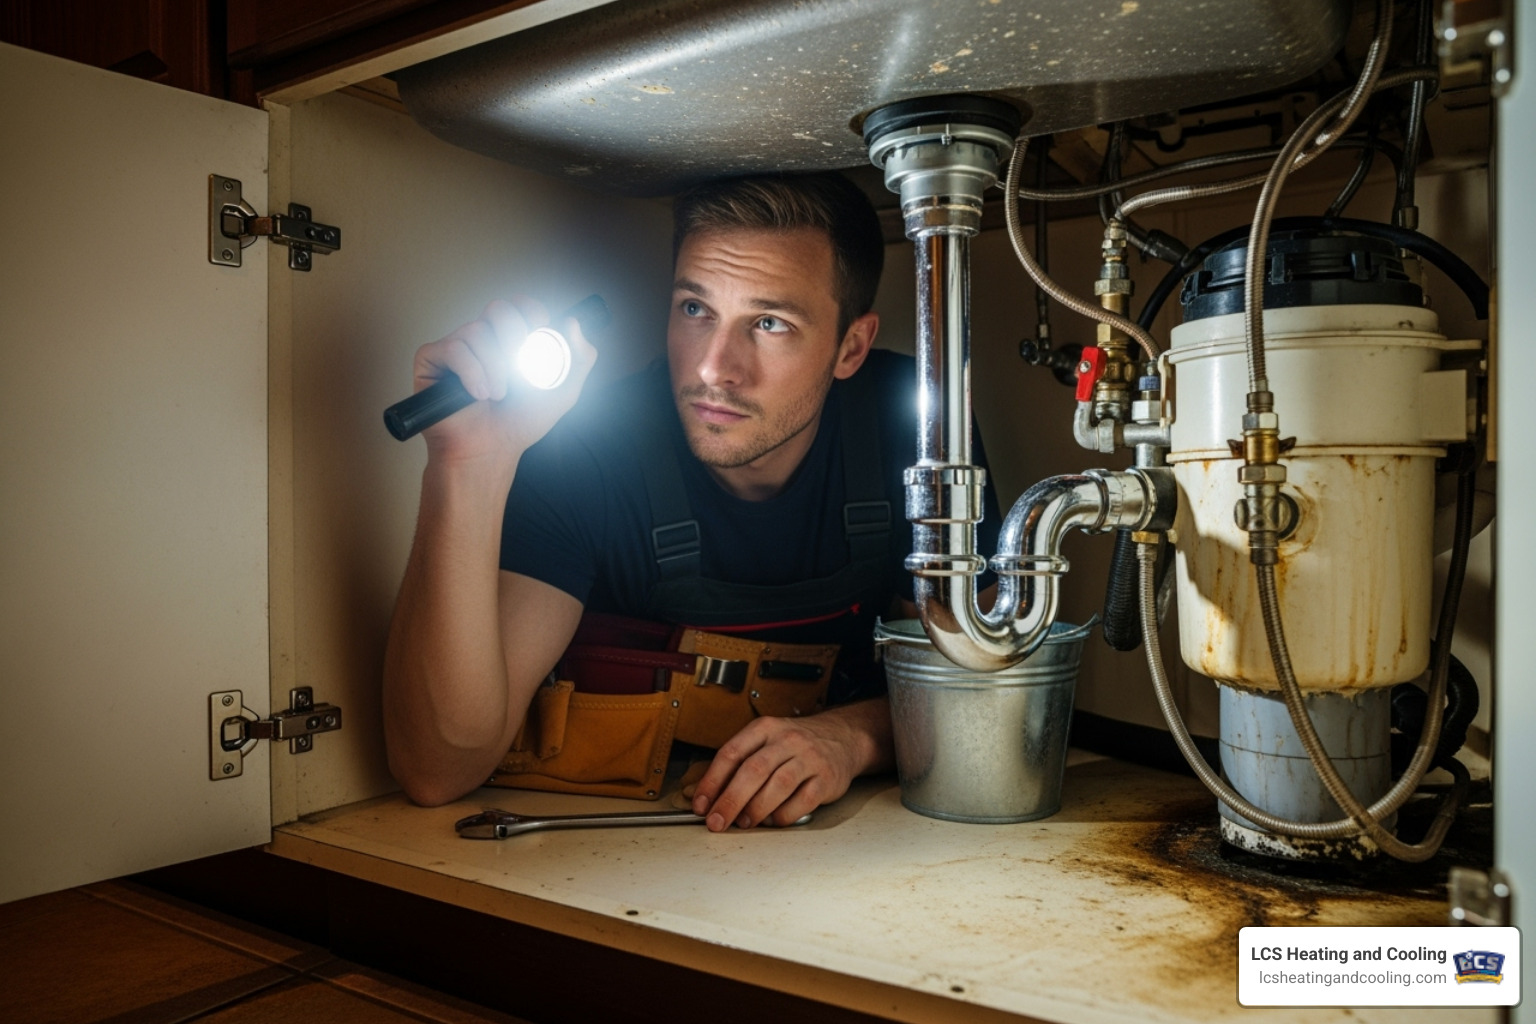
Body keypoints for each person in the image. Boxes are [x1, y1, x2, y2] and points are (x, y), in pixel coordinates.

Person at [383, 172, 997, 830]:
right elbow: (438, 769)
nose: (712, 368)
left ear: (850, 347)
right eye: (695, 309)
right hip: (626, 850)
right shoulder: (590, 451)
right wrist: (467, 464)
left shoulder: (918, 423)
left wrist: (851, 738)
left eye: (769, 323)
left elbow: (985, 689)